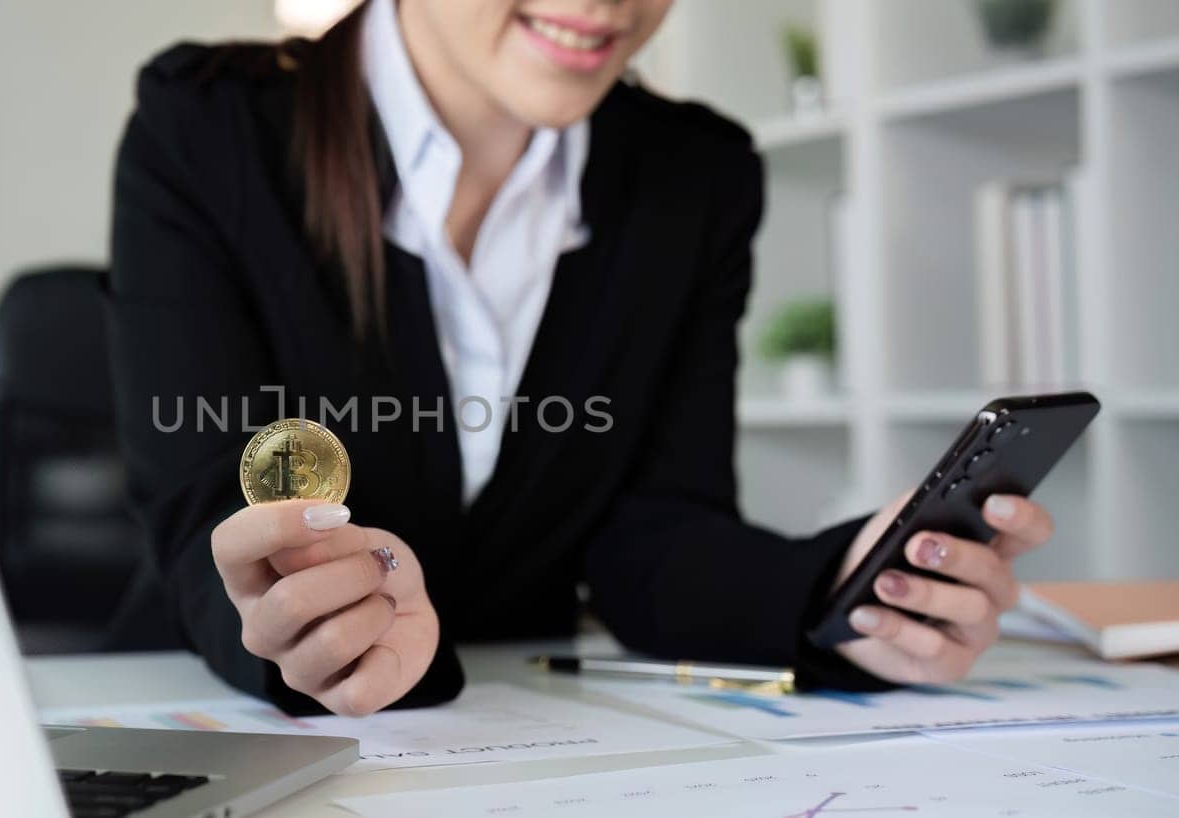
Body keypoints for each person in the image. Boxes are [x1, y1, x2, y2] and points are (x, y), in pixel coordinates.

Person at [100, 0, 1053, 717]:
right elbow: (203, 506)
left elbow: (656, 535)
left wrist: (843, 584)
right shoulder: (207, 130)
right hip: (236, 721)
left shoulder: (697, 177)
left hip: (532, 737)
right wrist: (313, 638)